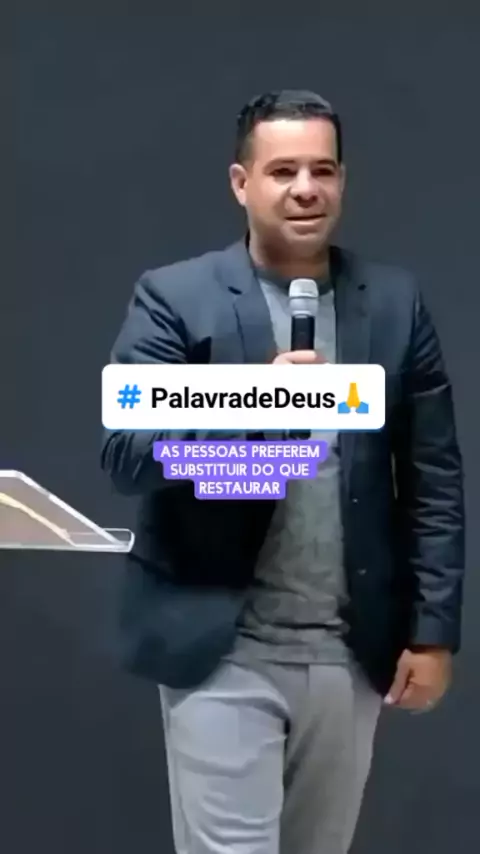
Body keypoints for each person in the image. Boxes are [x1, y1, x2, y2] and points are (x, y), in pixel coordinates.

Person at [101, 90, 466, 854]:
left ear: (342, 181)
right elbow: (129, 453)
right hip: (222, 643)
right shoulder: (175, 297)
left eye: (323, 170)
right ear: (242, 183)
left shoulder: (393, 303)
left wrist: (433, 633)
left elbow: (432, 478)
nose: (306, 189)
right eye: (283, 171)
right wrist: (258, 402)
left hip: (350, 652)